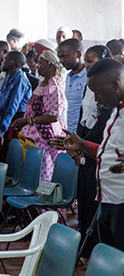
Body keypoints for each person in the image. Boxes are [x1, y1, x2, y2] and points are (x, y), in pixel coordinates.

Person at [60, 58, 124, 252]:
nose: (95, 99)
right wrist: (83, 146)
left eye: (98, 92)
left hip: (121, 203)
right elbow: (111, 154)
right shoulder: (115, 111)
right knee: (110, 259)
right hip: (107, 200)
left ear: (115, 85)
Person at [73, 46, 113, 258]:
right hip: (90, 147)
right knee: (86, 198)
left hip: (98, 153)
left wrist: (83, 144)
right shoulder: (93, 86)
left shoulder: (112, 100)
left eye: (91, 61)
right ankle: (87, 248)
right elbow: (82, 114)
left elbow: (102, 127)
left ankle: (99, 254)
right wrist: (80, 142)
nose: (96, 98)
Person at [11, 49, 67, 181]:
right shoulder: (42, 83)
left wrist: (27, 121)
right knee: (34, 173)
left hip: (46, 137)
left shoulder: (54, 85)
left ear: (51, 65)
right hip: (36, 134)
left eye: (41, 64)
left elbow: (54, 116)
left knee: (43, 173)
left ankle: (39, 198)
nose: (38, 66)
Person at [0, 51, 32, 138]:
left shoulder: (20, 79)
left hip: (14, 123)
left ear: (10, 62)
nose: (2, 63)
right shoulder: (8, 77)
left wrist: (1, 131)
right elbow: (2, 106)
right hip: (6, 121)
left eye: (4, 61)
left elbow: (12, 107)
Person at [57, 39, 86, 133]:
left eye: (64, 57)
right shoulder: (68, 76)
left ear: (78, 54)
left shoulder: (88, 77)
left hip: (81, 134)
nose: (61, 61)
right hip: (68, 131)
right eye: (60, 57)